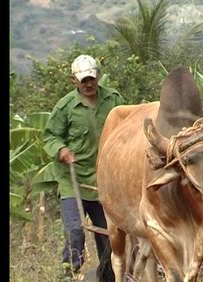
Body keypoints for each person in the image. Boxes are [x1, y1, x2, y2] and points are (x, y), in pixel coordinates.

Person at [43, 54, 125, 279]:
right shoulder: (65, 107)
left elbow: (128, 124)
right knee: (75, 232)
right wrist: (62, 150)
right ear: (74, 81)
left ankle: (107, 277)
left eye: (91, 79)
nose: (88, 84)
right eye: (83, 80)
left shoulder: (114, 100)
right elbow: (50, 137)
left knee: (109, 236)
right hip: (73, 181)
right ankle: (68, 274)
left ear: (97, 75)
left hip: (102, 182)